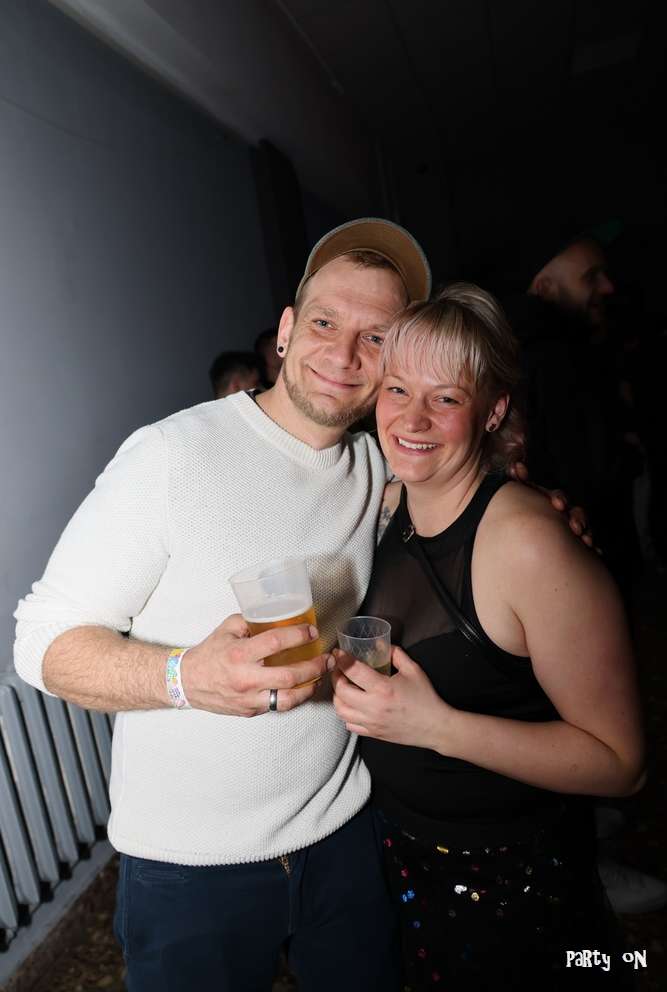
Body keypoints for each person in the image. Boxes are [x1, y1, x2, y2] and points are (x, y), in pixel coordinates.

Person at [13, 219, 587, 992]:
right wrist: (184, 677)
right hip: (191, 869)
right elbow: (40, 640)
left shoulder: (375, 463)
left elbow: (461, 490)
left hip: (346, 836)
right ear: (285, 331)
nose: (343, 354)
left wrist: (538, 515)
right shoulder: (170, 456)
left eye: (374, 337)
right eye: (323, 323)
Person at [331, 283, 646, 990]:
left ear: (493, 410)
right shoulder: (381, 510)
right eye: (398, 389)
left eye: (445, 397)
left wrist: (435, 726)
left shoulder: (529, 544)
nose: (412, 418)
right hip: (401, 865)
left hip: (514, 889)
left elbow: (620, 764)